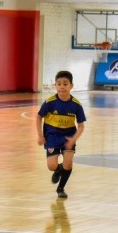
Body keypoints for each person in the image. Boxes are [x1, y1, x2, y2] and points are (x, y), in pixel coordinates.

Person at [36, 70, 86, 198]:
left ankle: (61, 188)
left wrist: (73, 139)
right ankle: (58, 170)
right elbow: (38, 117)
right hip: (52, 136)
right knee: (51, 166)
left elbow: (81, 126)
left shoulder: (76, 105)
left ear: (71, 86)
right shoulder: (50, 102)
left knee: (68, 163)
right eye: (59, 84)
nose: (62, 86)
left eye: (65, 84)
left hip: (68, 136)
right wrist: (40, 135)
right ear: (55, 86)